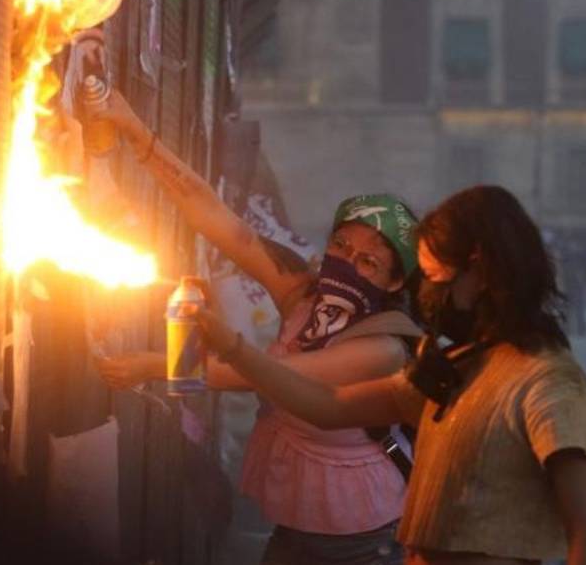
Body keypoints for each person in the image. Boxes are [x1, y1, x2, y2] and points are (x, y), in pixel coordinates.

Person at [184, 186, 586, 565]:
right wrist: (232, 349)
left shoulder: (550, 385)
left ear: (478, 272)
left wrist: (231, 353)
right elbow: (329, 407)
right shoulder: (455, 368)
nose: (426, 295)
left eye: (436, 277)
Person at [92, 90, 423, 565]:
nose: (347, 264)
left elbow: (269, 375)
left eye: (368, 262)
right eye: (342, 246)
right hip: (296, 518)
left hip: (360, 534)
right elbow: (220, 222)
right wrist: (131, 128)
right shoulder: (303, 293)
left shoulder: (385, 345)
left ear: (395, 282)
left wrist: (153, 365)